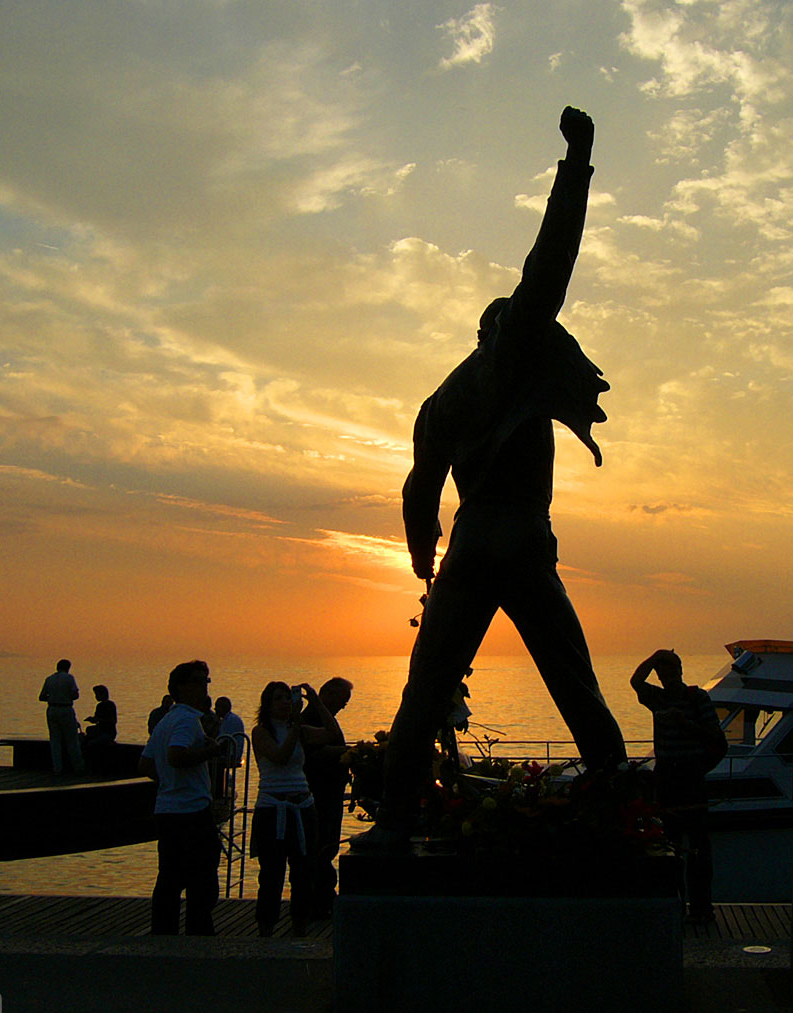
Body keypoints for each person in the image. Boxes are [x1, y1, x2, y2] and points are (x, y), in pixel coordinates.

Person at [359, 106, 626, 844]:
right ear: (504, 332)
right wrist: (577, 163)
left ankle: (394, 824)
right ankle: (616, 797)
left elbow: (419, 488)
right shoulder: (512, 361)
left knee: (426, 690)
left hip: (468, 545)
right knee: (574, 683)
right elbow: (550, 265)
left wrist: (421, 552)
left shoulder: (439, 400)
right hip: (518, 543)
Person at [630, 649, 723, 923]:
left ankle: (702, 908)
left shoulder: (698, 699)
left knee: (699, 847)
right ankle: (674, 905)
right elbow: (635, 681)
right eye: (663, 673)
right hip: (667, 778)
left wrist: (685, 724)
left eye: (671, 671)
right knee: (669, 846)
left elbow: (714, 735)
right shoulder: (656, 698)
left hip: (691, 777)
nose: (668, 677)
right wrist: (654, 657)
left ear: (680, 671)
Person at [139, 660, 225, 935]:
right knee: (203, 879)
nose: (206, 687)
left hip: (166, 809)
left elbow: (146, 763)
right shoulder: (188, 720)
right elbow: (176, 755)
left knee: (170, 878)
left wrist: (169, 782)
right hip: (192, 812)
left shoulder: (168, 719)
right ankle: (199, 934)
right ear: (183, 688)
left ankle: (163, 934)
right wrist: (211, 752)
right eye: (201, 681)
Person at [250, 681, 338, 936]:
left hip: (302, 807)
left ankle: (300, 927)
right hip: (273, 809)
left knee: (304, 873)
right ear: (267, 704)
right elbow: (280, 756)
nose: (285, 703)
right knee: (272, 875)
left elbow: (332, 733)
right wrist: (297, 725)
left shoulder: (297, 730)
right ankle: (266, 930)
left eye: (288, 698)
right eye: (279, 699)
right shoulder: (261, 732)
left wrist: (317, 702)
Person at [302, 677, 352, 918]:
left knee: (326, 845)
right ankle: (319, 901)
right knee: (321, 845)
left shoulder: (322, 718)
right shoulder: (311, 719)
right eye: (342, 701)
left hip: (330, 791)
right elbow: (314, 754)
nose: (342, 707)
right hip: (319, 793)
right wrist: (349, 753)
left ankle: (322, 898)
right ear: (328, 695)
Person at [39, 659, 84, 774]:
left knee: (55, 740)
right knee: (72, 739)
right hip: (66, 709)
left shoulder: (49, 679)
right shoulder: (69, 678)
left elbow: (42, 697)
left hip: (52, 709)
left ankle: (57, 768)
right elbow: (75, 695)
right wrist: (65, 696)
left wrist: (53, 697)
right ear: (68, 668)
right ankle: (78, 767)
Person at [82, 684, 118, 770]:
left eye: (97, 694)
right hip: (101, 731)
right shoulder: (99, 706)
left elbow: (112, 721)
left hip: (108, 733)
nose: (96, 697)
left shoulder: (109, 705)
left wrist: (97, 720)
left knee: (91, 744)